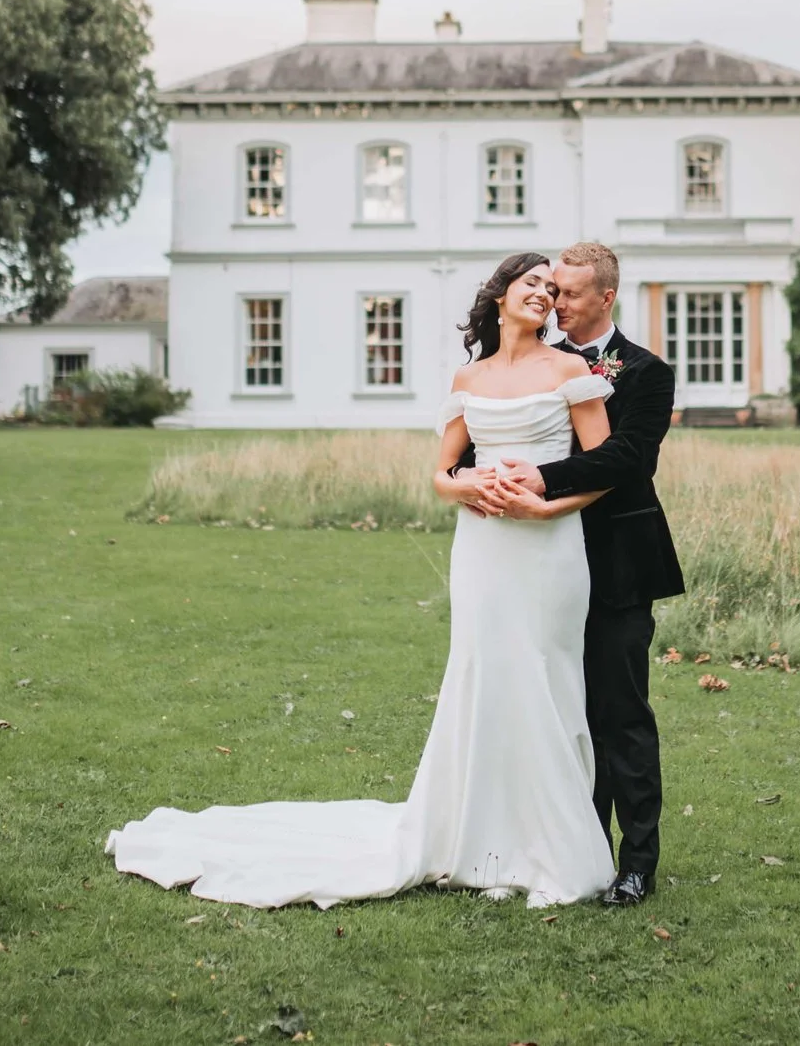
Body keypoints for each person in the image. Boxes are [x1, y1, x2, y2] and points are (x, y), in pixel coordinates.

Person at [103, 252, 619, 908]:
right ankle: (483, 845)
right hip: (484, 549)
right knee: (485, 679)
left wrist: (544, 507)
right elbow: (440, 473)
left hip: (548, 548)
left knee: (543, 679)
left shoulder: (569, 370)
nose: (544, 294)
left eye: (551, 287)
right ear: (501, 295)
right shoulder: (469, 377)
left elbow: (606, 467)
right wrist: (466, 485)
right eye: (531, 283)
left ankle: (548, 849)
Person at [483, 239, 683, 908]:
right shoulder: (538, 361)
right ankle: (574, 851)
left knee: (620, 714)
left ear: (606, 296)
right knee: (556, 711)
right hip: (540, 566)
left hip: (617, 564)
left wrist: (542, 480)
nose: (554, 301)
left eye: (568, 292)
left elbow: (629, 460)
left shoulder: (648, 373)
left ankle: (637, 863)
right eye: (551, 289)